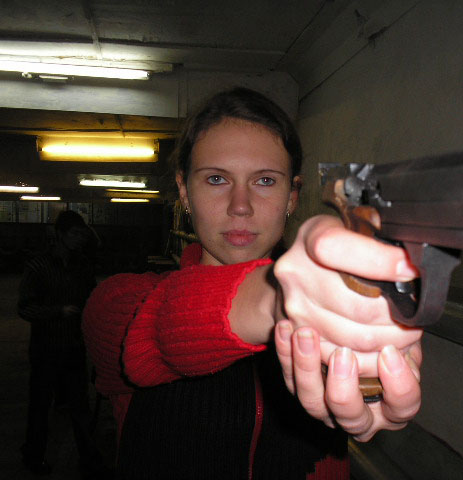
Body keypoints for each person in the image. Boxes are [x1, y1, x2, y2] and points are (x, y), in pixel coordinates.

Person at [82, 87, 423, 479]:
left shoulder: (330, 314)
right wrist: (279, 298)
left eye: (264, 180)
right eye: (216, 179)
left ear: (292, 195)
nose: (240, 206)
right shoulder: (121, 303)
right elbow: (154, 328)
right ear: (184, 191)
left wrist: (371, 375)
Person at [18, 210, 105, 477]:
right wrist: (58, 311)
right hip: (46, 348)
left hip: (74, 347)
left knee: (80, 406)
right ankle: (33, 456)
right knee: (40, 405)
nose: (79, 239)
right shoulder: (38, 266)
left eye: (81, 235)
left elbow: (92, 296)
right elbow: (25, 307)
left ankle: (89, 460)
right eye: (74, 234)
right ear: (59, 235)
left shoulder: (82, 265)